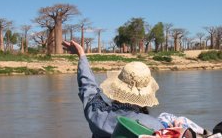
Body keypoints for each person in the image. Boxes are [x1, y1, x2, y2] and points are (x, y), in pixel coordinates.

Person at [62, 40, 208, 138]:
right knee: (172, 119)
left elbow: (87, 87)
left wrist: (82, 55)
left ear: (117, 90)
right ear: (145, 95)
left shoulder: (97, 114)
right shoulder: (153, 127)